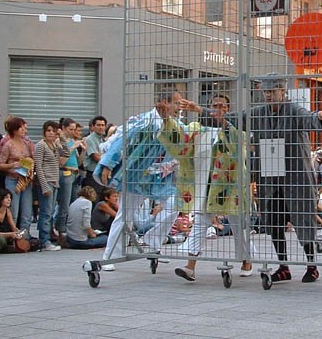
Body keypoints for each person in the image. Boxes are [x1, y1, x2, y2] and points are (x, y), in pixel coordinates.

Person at [202, 74, 322, 283]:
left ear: (283, 91)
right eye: (266, 92)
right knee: (274, 221)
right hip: (270, 178)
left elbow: (308, 118)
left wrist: (320, 117)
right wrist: (203, 111)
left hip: (296, 176)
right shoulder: (259, 113)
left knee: (303, 219)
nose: (269, 95)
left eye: (273, 91)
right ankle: (284, 266)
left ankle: (312, 265)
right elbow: (235, 118)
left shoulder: (293, 110)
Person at [166, 93, 253, 282]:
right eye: (214, 105)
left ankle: (247, 260)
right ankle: (190, 266)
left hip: (230, 186)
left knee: (238, 225)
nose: (218, 109)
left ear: (228, 109)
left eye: (222, 106)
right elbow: (180, 140)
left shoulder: (236, 128)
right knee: (200, 222)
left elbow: (238, 149)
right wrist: (167, 120)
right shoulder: (198, 128)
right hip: (205, 185)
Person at [95, 91, 181, 271]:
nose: (179, 107)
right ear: (165, 103)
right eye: (177, 103)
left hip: (160, 178)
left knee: (175, 204)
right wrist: (107, 164)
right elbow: (121, 140)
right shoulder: (143, 120)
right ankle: (110, 256)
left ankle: (154, 239)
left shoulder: (176, 125)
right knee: (124, 216)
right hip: (136, 176)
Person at [34, 120, 69, 251]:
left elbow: (66, 153)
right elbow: (38, 166)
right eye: (49, 130)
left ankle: (47, 238)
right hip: (46, 182)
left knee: (49, 211)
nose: (51, 133)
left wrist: (62, 139)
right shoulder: (40, 145)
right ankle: (44, 240)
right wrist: (44, 186)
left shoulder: (54, 145)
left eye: (54, 131)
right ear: (44, 132)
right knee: (46, 213)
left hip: (55, 182)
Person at [0, 117, 35, 235]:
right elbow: (0, 165)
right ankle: (12, 236)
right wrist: (13, 165)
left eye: (25, 127)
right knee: (13, 209)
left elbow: (32, 158)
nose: (24, 130)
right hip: (13, 179)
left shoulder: (27, 143)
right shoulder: (8, 145)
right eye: (21, 127)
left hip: (25, 180)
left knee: (27, 211)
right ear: (14, 130)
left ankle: (25, 237)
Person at [83, 115, 107, 197]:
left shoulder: (102, 139)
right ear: (93, 126)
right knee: (94, 199)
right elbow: (96, 157)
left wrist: (103, 155)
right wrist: (106, 157)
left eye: (103, 125)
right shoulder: (90, 139)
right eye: (98, 125)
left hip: (101, 174)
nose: (101, 127)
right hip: (92, 175)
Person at [0, 188, 25, 253]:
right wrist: (10, 234)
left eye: (10, 198)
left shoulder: (7, 211)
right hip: (0, 237)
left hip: (6, 236)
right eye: (6, 198)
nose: (9, 200)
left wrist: (18, 232)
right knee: (0, 240)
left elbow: (13, 227)